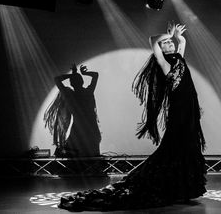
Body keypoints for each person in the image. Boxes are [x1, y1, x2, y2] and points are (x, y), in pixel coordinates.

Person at [58, 22, 207, 211]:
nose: (170, 45)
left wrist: (177, 36)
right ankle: (168, 185)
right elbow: (153, 40)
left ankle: (183, 188)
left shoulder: (179, 59)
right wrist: (167, 35)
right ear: (161, 49)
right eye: (167, 43)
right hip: (179, 112)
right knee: (173, 148)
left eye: (171, 43)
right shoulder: (164, 64)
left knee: (188, 147)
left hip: (191, 111)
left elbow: (182, 42)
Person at [44, 63, 101, 157]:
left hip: (79, 131)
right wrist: (84, 73)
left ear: (71, 83)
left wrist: (72, 74)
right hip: (91, 131)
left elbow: (57, 79)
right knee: (91, 159)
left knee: (69, 158)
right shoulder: (88, 92)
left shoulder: (70, 96)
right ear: (82, 81)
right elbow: (95, 75)